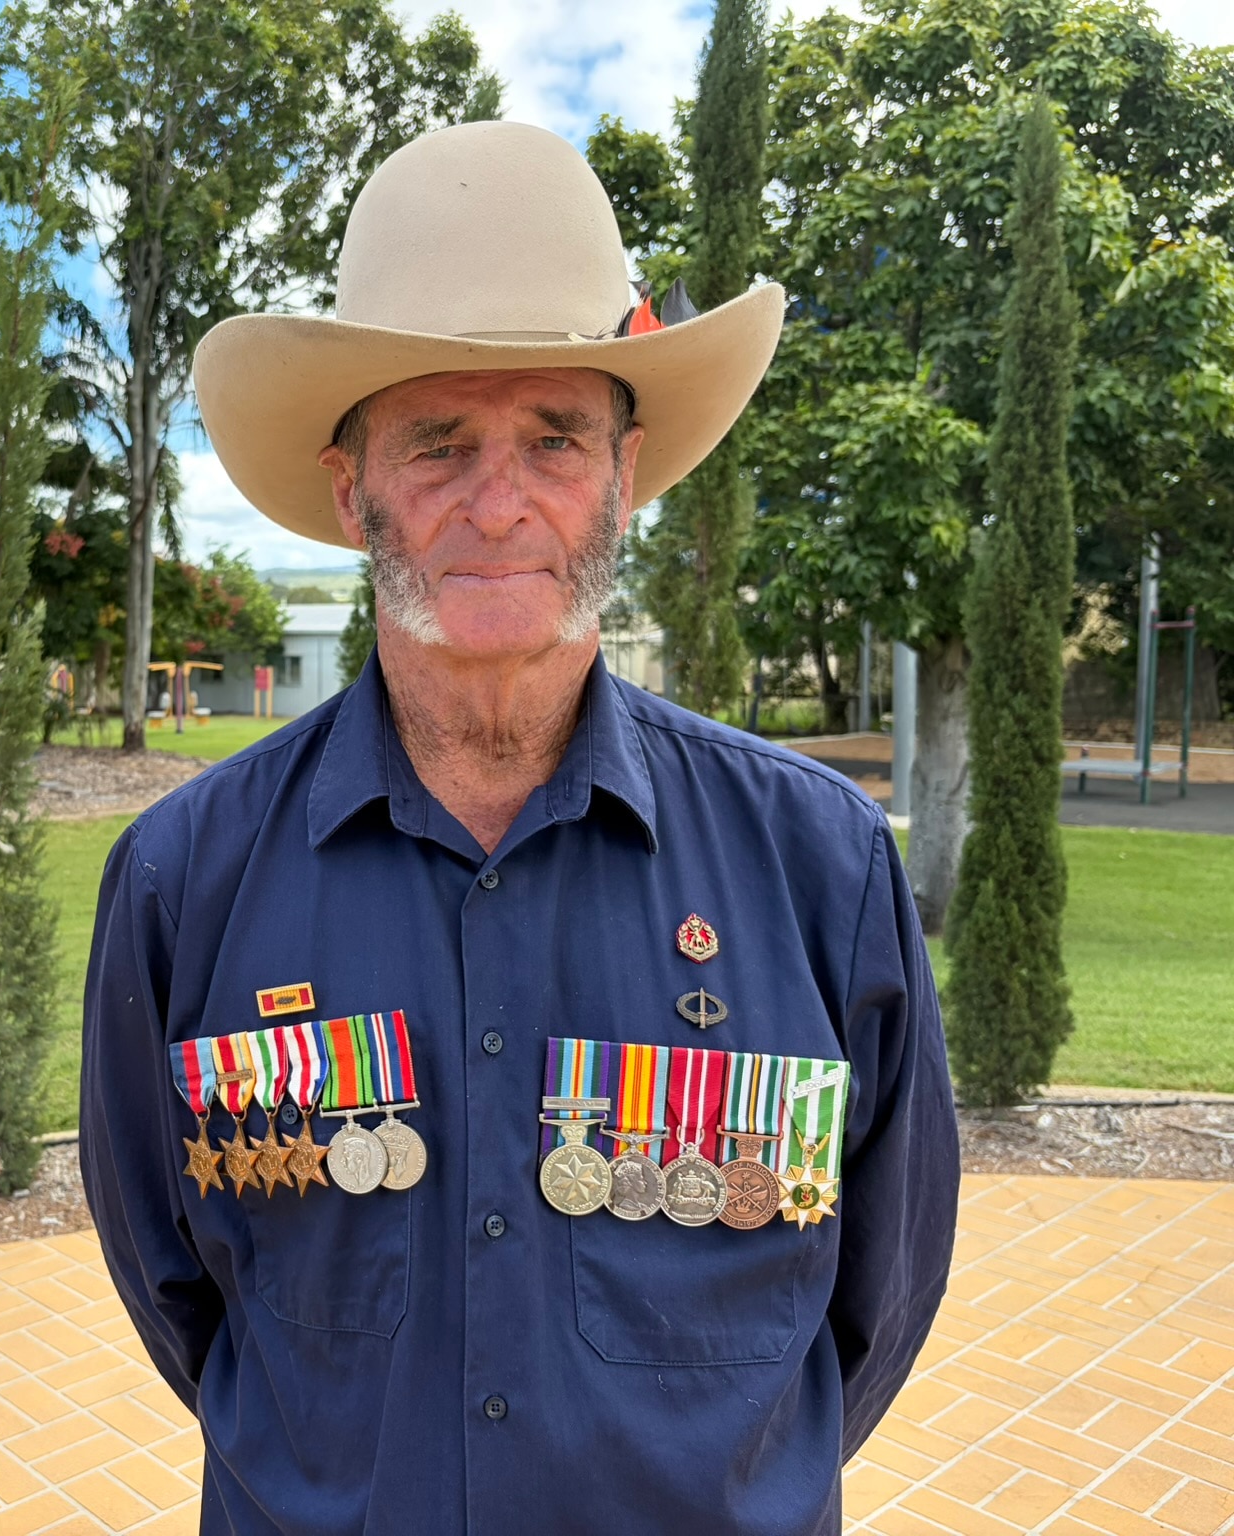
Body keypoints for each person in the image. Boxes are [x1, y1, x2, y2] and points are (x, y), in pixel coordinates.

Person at [80, 120, 957, 1536]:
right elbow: (174, 1287)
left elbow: (879, 1299)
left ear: (622, 476)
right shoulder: (188, 882)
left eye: (556, 437)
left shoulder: (817, 867)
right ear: (352, 484)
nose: (501, 503)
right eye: (438, 443)